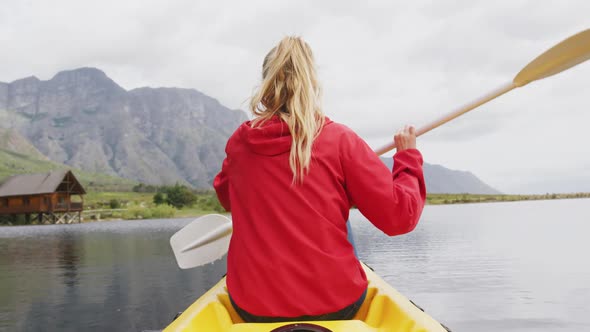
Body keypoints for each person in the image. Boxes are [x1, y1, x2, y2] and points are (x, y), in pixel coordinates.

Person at [213, 36, 426, 323]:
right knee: (342, 215)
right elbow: (400, 216)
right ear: (313, 83)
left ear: (266, 82)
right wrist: (408, 158)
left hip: (253, 306)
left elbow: (227, 198)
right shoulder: (340, 140)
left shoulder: (240, 143)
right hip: (335, 302)